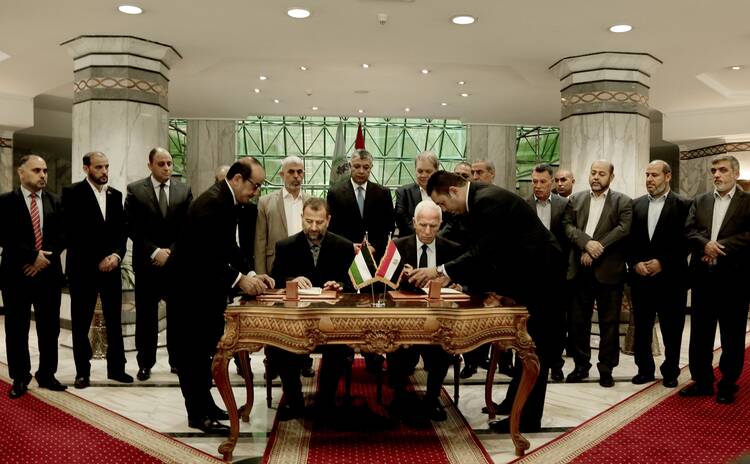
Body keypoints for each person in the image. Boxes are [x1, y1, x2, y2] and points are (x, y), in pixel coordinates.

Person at [409, 171, 563, 433]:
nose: (445, 210)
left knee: (535, 348)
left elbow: (485, 252)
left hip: (542, 277)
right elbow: (480, 252)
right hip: (525, 276)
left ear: (454, 191)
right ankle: (514, 403)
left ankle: (527, 419)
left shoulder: (487, 201)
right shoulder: (476, 201)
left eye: (443, 204)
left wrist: (440, 271)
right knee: (524, 346)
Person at [169, 160, 274, 433]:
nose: (257, 192)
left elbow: (229, 247)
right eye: (256, 185)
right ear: (238, 179)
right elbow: (203, 258)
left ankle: (206, 405)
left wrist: (251, 271)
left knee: (205, 353)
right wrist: (241, 281)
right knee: (192, 356)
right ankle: (198, 415)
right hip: (190, 294)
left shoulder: (226, 200)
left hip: (206, 292)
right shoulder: (212, 203)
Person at [268, 197, 355, 420]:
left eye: (319, 222)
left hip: (332, 322)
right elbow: (275, 280)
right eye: (308, 222)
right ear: (302, 219)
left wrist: (340, 285)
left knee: (338, 350)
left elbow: (353, 287)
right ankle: (295, 401)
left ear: (328, 220)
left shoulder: (343, 246)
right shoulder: (285, 246)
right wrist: (292, 280)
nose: (313, 228)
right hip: (296, 321)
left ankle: (326, 400)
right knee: (281, 347)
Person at [680, 155, 750, 405]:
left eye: (722, 170)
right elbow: (689, 231)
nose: (716, 175)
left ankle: (728, 384)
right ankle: (702, 381)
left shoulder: (747, 201)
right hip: (703, 279)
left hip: (735, 280)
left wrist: (719, 247)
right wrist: (704, 245)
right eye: (714, 170)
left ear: (735, 173)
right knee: (700, 334)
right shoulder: (700, 201)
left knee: (732, 336)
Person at [63, 151, 132, 389]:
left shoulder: (116, 195)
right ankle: (83, 372)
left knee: (115, 321)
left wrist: (115, 255)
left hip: (112, 268)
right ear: (86, 169)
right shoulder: (72, 193)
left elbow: (122, 232)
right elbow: (73, 233)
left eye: (107, 167)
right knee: (81, 323)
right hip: (83, 269)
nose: (104, 172)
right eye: (99, 167)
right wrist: (99, 259)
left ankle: (117, 369)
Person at [388, 201, 462, 422]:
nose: (428, 231)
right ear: (413, 223)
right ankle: (399, 396)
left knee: (442, 349)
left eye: (433, 226)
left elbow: (463, 281)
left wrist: (458, 286)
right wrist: (398, 278)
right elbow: (381, 286)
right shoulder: (398, 246)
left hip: (438, 323)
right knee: (395, 347)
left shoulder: (452, 249)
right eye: (423, 225)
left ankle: (432, 398)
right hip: (403, 322)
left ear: (441, 224)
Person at [0, 155, 66, 398]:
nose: (43, 175)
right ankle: (20, 377)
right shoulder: (6, 202)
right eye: (37, 170)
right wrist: (30, 257)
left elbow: (62, 236)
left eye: (45, 171)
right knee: (17, 328)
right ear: (21, 173)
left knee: (49, 329)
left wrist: (42, 261)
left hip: (48, 275)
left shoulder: (55, 201)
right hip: (16, 275)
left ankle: (47, 374)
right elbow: (4, 236)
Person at [563, 160, 632, 388]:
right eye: (593, 173)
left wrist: (595, 248)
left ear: (611, 177)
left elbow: (623, 229)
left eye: (601, 174)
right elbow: (567, 226)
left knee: (609, 323)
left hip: (609, 272)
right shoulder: (576, 199)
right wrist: (586, 244)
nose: (596, 177)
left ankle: (606, 369)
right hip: (580, 272)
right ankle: (581, 366)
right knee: (578, 322)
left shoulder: (623, 201)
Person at [125, 147, 192, 380]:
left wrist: (171, 253)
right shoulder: (135, 191)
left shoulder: (184, 190)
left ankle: (177, 361)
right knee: (146, 316)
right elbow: (132, 227)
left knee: (178, 316)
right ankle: (145, 363)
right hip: (147, 265)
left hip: (176, 265)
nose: (166, 168)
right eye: (161, 164)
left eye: (169, 164)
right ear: (150, 165)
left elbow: (188, 228)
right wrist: (154, 251)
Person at [628, 160, 691, 388]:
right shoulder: (635, 205)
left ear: (667, 176)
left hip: (671, 280)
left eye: (654, 175)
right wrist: (634, 262)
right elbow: (629, 240)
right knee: (642, 327)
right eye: (647, 175)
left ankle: (671, 370)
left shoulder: (685, 205)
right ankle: (644, 369)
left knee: (671, 328)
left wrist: (663, 262)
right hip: (641, 279)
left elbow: (688, 241)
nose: (649, 180)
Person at [253, 156, 314, 378]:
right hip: (275, 267)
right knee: (276, 317)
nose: (296, 176)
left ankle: (304, 361)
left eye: (300, 172)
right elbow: (260, 239)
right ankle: (273, 363)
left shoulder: (310, 200)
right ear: (282, 175)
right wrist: (261, 273)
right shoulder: (266, 202)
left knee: (304, 316)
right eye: (291, 172)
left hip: (305, 266)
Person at [526, 163, 569, 381]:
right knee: (532, 323)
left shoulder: (564, 205)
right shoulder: (524, 205)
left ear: (551, 182)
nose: (538, 186)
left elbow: (569, 238)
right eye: (534, 181)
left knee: (557, 323)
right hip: (532, 276)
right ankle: (530, 364)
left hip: (557, 275)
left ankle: (556, 364)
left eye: (543, 182)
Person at [327, 149, 394, 260]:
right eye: (357, 166)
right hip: (345, 255)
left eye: (366, 167)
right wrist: (350, 247)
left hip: (375, 256)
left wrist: (375, 247)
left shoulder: (383, 193)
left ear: (371, 168)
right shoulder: (335, 194)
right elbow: (332, 228)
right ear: (349, 166)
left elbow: (389, 225)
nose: (361, 171)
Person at [394, 151, 438, 237]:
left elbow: (450, 222)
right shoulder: (403, 193)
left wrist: (435, 238)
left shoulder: (445, 193)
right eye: (420, 171)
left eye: (428, 171)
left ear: (436, 171)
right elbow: (403, 223)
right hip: (411, 244)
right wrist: (423, 237)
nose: (424, 175)